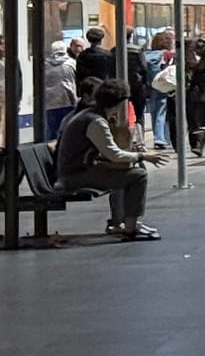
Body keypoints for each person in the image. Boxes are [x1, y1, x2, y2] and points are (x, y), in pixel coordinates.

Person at [56, 80, 166, 239]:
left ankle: (126, 223)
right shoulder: (96, 121)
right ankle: (130, 227)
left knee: (131, 170)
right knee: (138, 175)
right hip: (75, 175)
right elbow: (113, 154)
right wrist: (143, 156)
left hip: (74, 169)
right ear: (118, 103)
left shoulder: (88, 115)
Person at [143, 30, 175, 146]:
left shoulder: (147, 54)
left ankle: (159, 137)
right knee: (162, 112)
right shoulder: (166, 54)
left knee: (154, 112)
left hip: (150, 85)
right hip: (163, 85)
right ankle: (161, 139)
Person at [43, 40, 77, 135]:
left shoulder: (45, 65)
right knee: (67, 130)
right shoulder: (72, 63)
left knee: (52, 130)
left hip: (50, 101)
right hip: (68, 100)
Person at [73, 26, 117, 96]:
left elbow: (79, 75)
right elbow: (113, 74)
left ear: (88, 40)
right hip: (104, 88)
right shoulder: (108, 55)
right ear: (101, 40)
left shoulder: (82, 56)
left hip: (88, 90)